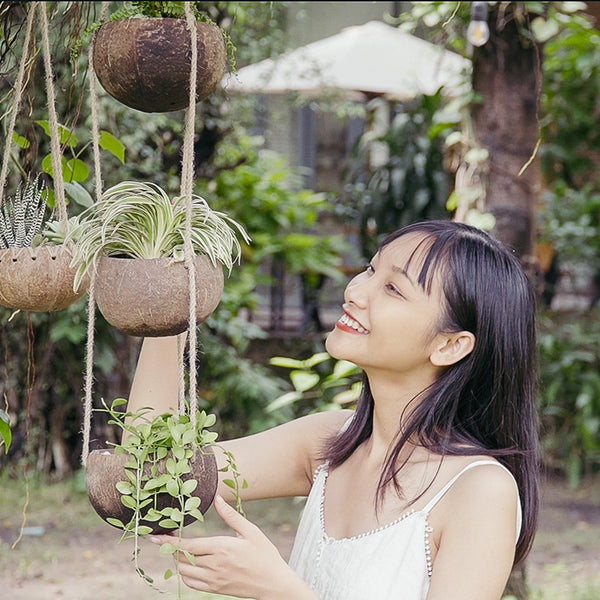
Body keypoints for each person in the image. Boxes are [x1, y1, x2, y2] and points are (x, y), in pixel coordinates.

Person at [128, 220, 539, 600]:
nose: (356, 292)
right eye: (371, 269)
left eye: (394, 289)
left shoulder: (479, 491)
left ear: (450, 345)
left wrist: (280, 590)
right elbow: (150, 483)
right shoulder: (328, 442)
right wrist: (171, 311)